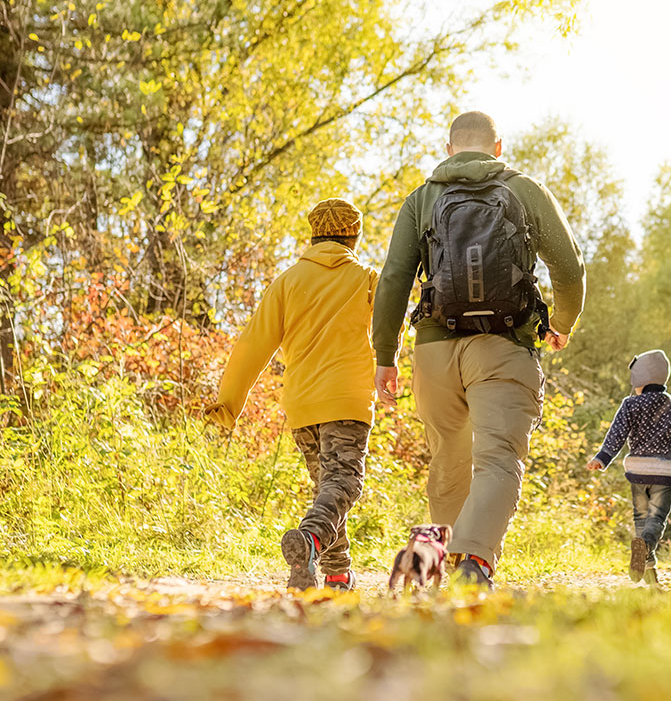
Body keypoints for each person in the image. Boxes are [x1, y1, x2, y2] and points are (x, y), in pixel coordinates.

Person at [372, 110, 585, 588]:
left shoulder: (422, 198)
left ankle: (432, 561)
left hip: (434, 350)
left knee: (448, 457)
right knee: (498, 458)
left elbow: (393, 280)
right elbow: (570, 271)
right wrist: (562, 324)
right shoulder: (524, 190)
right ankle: (473, 562)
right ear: (498, 147)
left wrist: (384, 355)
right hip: (503, 344)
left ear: (449, 150)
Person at [205, 198, 378, 591]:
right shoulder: (368, 278)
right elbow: (390, 329)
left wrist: (228, 404)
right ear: (355, 235)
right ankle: (311, 538)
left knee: (328, 490)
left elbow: (252, 345)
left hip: (302, 405)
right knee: (344, 483)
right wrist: (391, 367)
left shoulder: (287, 282)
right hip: (348, 399)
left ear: (313, 235)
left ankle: (334, 574)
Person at [587, 349, 671, 585]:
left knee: (641, 519)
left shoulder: (630, 405)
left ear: (638, 381)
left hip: (638, 472)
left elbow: (616, 435)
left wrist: (602, 458)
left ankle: (649, 574)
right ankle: (647, 552)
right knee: (656, 518)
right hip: (665, 474)